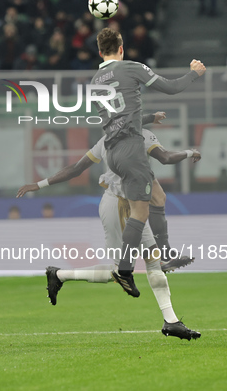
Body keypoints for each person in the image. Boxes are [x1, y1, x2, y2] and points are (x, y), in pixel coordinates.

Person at [16, 119, 202, 340]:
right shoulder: (111, 141)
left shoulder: (138, 135)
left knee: (153, 260)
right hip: (116, 206)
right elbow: (76, 169)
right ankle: (59, 274)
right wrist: (38, 185)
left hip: (137, 205)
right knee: (120, 272)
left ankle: (171, 322)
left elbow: (76, 169)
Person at [91, 27, 205, 297]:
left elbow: (115, 120)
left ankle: (162, 254)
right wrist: (194, 73)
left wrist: (148, 117)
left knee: (157, 196)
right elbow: (172, 87)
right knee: (140, 213)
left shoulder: (95, 81)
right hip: (132, 148)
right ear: (121, 48)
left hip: (114, 151)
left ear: (99, 52)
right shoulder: (131, 67)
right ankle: (126, 269)